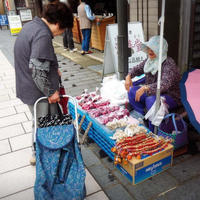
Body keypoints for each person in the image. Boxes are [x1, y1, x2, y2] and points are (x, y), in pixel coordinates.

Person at [14, 2, 74, 165]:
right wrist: (50, 92)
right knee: (42, 123)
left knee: (39, 121)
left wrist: (54, 71)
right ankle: (41, 155)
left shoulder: (33, 25)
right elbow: (37, 70)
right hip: (36, 91)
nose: (60, 34)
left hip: (26, 85)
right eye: (63, 29)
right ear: (58, 23)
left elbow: (36, 60)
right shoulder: (43, 34)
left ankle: (40, 152)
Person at [125, 35, 181, 131]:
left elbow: (165, 83)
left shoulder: (169, 63)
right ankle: (142, 117)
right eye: (149, 48)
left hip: (170, 95)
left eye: (153, 49)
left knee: (151, 100)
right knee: (132, 91)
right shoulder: (150, 60)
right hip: (153, 91)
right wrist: (128, 76)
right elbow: (137, 68)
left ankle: (153, 129)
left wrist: (146, 88)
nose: (150, 51)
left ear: (161, 50)